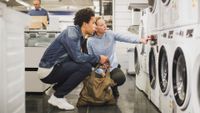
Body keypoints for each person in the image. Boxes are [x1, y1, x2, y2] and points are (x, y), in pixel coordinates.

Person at [37, 8, 108, 110]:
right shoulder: (72, 33)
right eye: (93, 23)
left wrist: (99, 63)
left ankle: (55, 91)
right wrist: (98, 58)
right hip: (48, 70)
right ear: (85, 23)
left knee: (86, 67)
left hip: (55, 67)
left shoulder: (80, 36)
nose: (95, 26)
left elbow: (82, 57)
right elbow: (78, 58)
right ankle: (58, 96)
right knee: (85, 68)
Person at [87, 17, 149, 99]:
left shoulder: (110, 34)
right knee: (96, 86)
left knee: (120, 78)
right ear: (95, 27)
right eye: (102, 25)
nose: (105, 26)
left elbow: (125, 37)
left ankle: (113, 87)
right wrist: (99, 70)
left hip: (112, 67)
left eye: (105, 23)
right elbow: (91, 58)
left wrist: (140, 40)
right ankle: (103, 89)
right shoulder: (90, 41)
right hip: (98, 68)